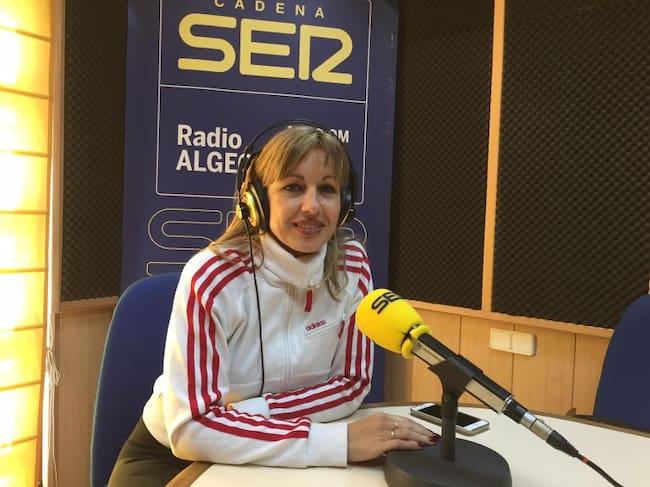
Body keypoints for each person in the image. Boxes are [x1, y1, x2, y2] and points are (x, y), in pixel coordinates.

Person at [108, 122, 437, 486]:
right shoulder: (213, 276)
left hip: (283, 446)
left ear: (344, 204)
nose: (312, 206)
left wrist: (251, 413)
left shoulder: (352, 267)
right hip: (171, 459)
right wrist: (337, 442)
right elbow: (192, 428)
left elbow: (352, 382)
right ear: (257, 200)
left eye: (327, 189)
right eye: (293, 187)